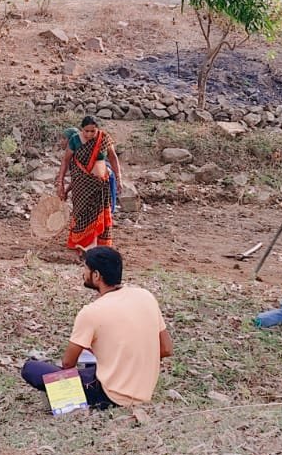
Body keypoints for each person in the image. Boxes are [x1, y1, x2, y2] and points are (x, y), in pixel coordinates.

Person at [20, 245, 173, 409]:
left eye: (85, 269)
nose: (83, 274)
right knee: (92, 362)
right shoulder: (145, 296)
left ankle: (73, 401)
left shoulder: (91, 312)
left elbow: (67, 364)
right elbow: (166, 349)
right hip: (144, 390)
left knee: (31, 369)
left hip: (112, 396)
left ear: (96, 275)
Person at [56, 116, 121, 253]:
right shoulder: (75, 141)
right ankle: (84, 246)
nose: (90, 134)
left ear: (98, 129)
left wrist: (119, 179)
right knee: (82, 215)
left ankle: (95, 247)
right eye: (86, 131)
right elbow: (66, 161)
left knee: (99, 215)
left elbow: (113, 158)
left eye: (93, 131)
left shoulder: (103, 138)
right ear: (81, 129)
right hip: (81, 187)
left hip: (101, 185)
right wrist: (60, 183)